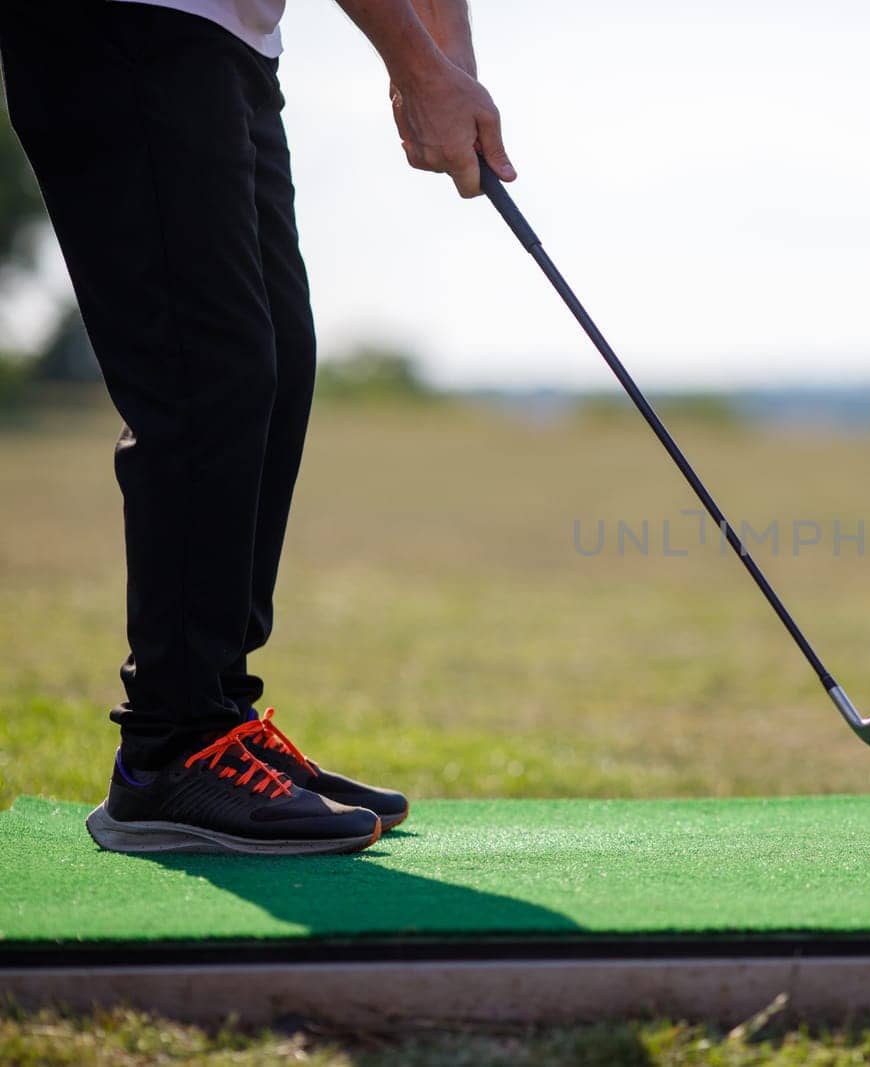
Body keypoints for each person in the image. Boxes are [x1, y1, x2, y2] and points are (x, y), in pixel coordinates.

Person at [0, 0, 515, 854]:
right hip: (123, 22)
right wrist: (420, 69)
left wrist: (446, 66)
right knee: (207, 373)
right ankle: (170, 747)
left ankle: (218, 718)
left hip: (231, 41)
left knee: (276, 366)